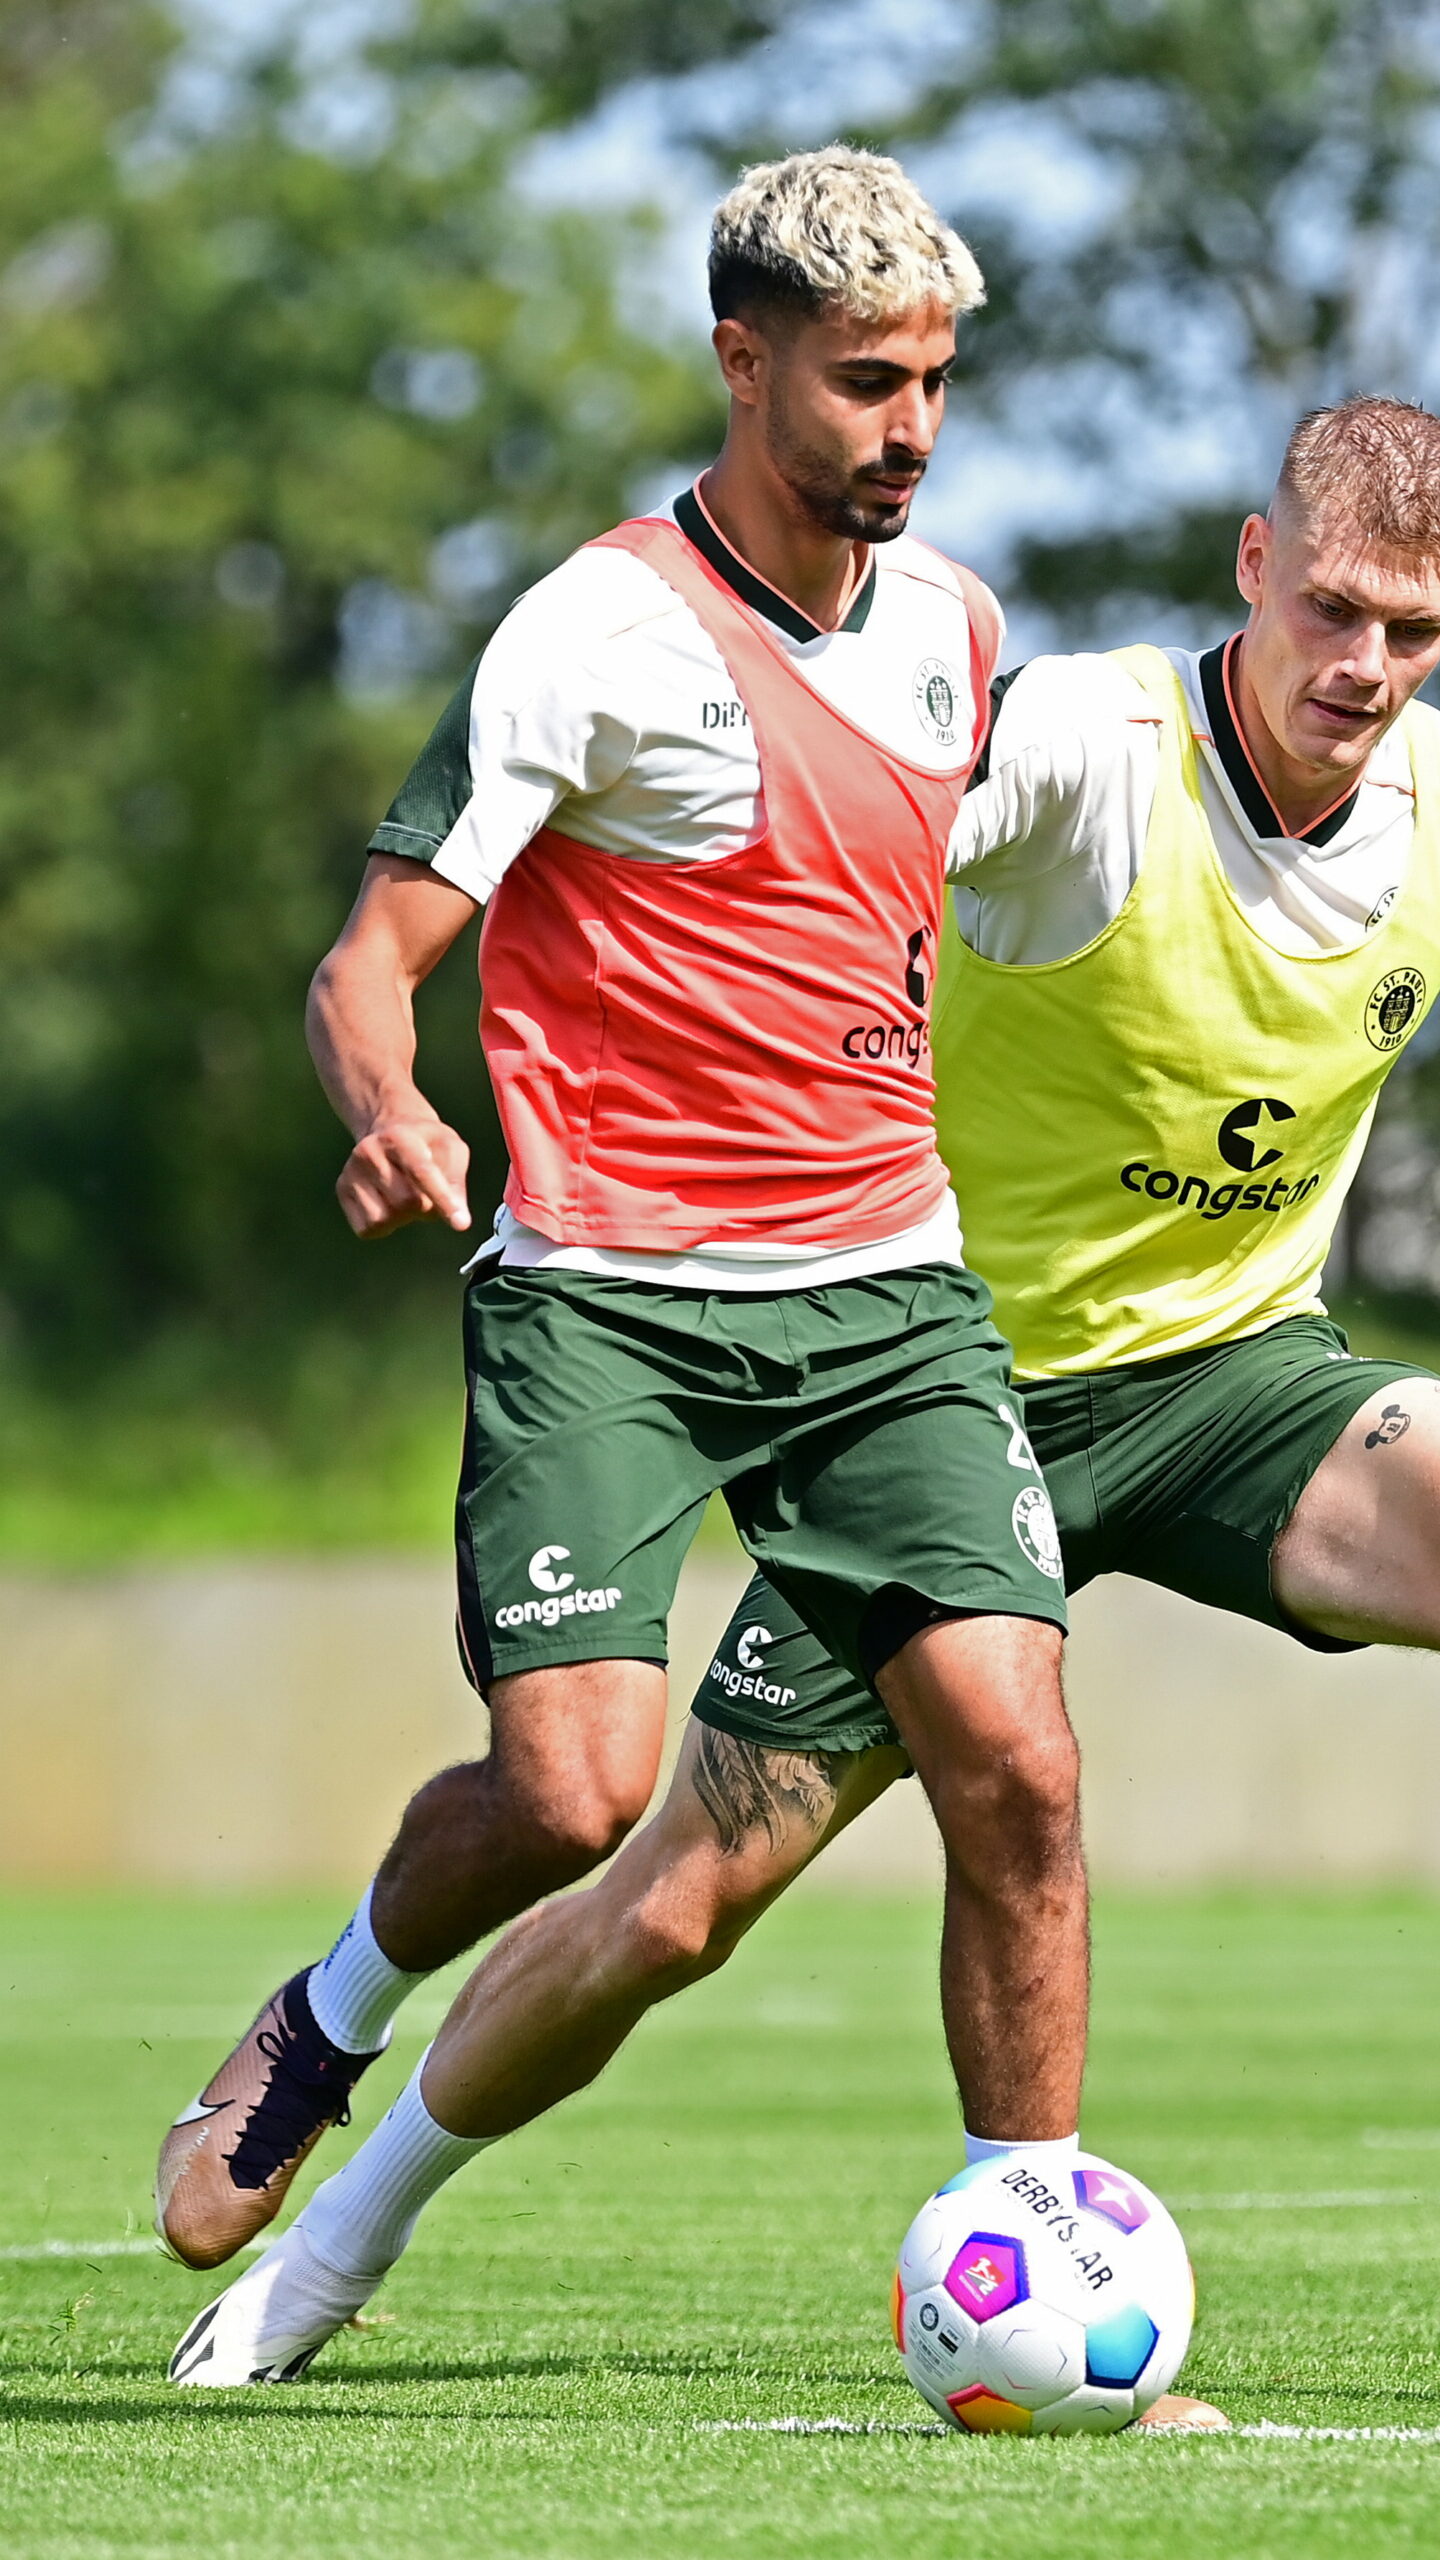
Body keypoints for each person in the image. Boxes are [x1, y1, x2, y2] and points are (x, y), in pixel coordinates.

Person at [169, 398, 1440, 2394]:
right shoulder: (1079, 749)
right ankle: (328, 2253)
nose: (1366, 665)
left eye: (1417, 630)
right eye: (1334, 607)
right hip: (927, 1389)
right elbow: (837, 841)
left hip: (1231, 1380)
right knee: (669, 1905)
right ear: (1253, 568)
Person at [158, 148, 1091, 2334]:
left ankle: (1039, 2267)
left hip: (885, 1296)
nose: (911, 428)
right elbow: (366, 960)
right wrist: (391, 1107)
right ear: (738, 359)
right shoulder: (592, 632)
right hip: (612, 1298)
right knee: (575, 1791)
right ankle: (331, 2002)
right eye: (866, 381)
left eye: (939, 381)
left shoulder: (958, 630)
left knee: (1019, 1760)